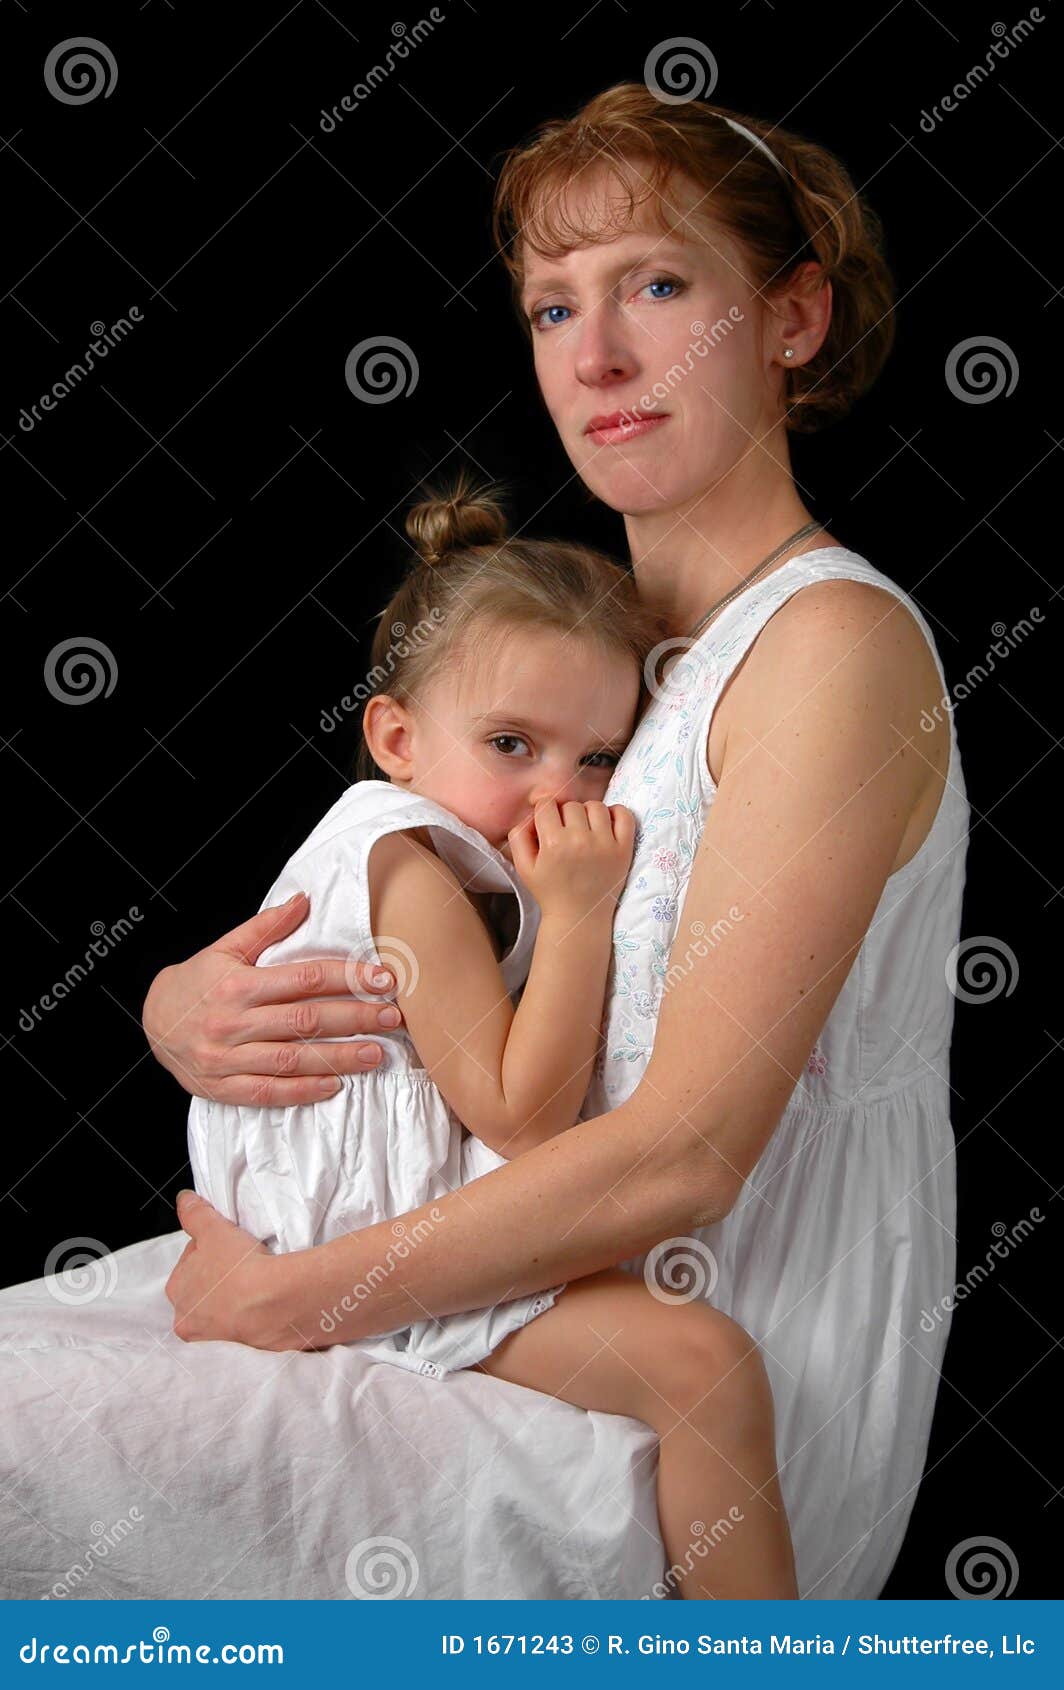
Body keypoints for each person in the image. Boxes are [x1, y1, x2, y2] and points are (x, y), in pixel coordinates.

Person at [148, 84, 969, 1597]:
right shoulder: (595, 657)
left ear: (792, 318)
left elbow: (689, 1153)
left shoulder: (828, 648)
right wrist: (196, 1006)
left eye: (658, 285)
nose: (593, 358)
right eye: (549, 307)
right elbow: (405, 898)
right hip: (495, 1272)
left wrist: (286, 1303)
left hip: (726, 1357)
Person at [185, 474, 797, 1598]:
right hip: (352, 1231)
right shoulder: (411, 872)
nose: (555, 792)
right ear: (396, 736)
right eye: (512, 742)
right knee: (702, 1367)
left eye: (597, 756)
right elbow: (519, 1115)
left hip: (338, 1206)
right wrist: (576, 917)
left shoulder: (390, 843)